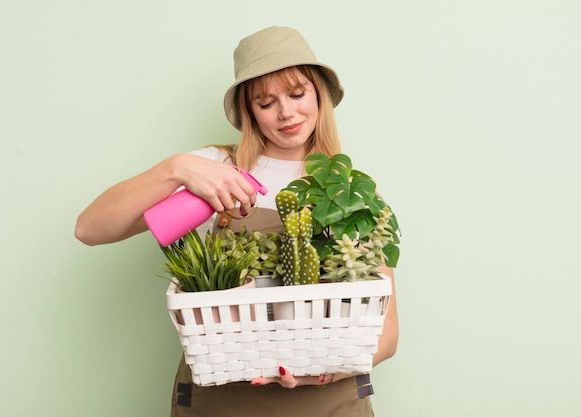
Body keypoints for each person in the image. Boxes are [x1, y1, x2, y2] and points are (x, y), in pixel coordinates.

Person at [75, 26, 398, 417]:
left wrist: (319, 374)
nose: (286, 113)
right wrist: (176, 168)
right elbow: (90, 229)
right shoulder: (216, 171)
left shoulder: (354, 193)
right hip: (224, 402)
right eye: (266, 102)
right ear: (249, 112)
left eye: (297, 94)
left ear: (319, 95)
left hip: (329, 403)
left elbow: (387, 333)